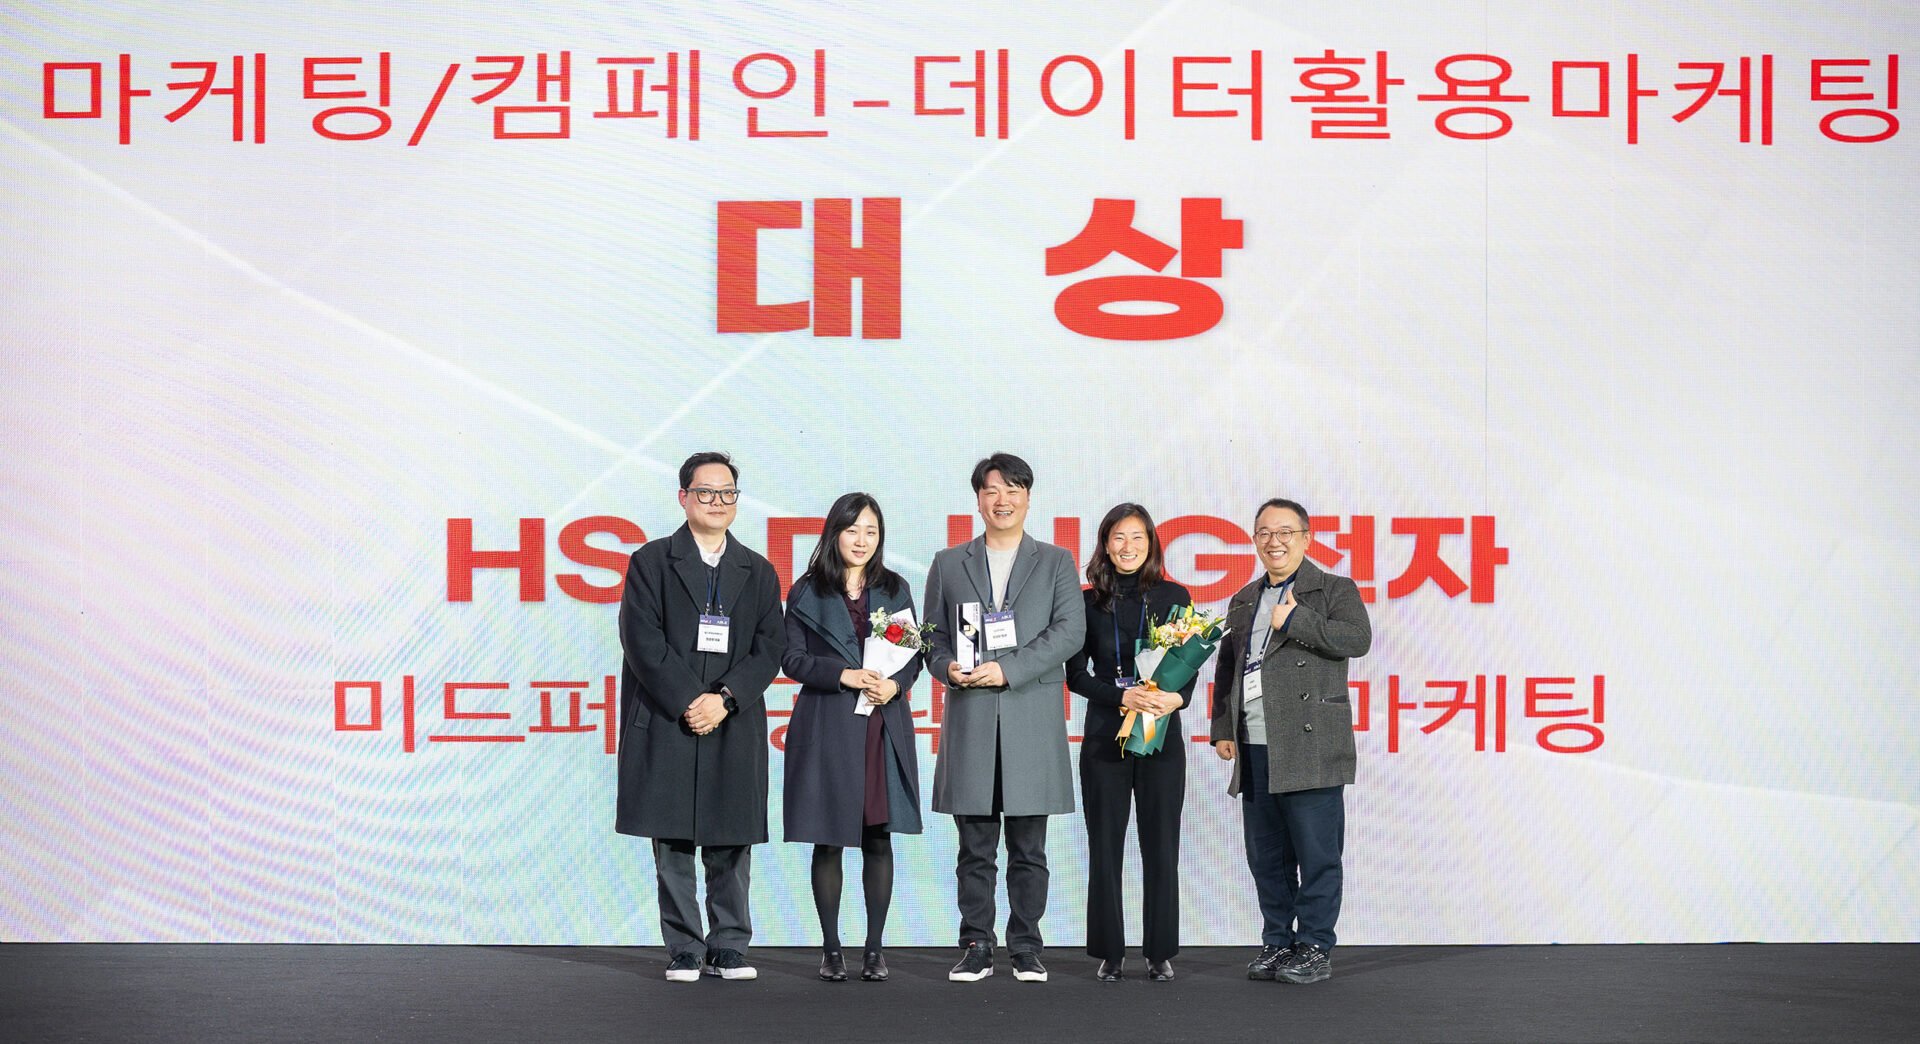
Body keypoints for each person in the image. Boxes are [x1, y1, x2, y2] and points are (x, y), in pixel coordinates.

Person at [615, 452, 786, 983]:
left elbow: (770, 647)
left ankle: (729, 944)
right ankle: (684, 946)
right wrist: (692, 700)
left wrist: (724, 699)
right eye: (706, 492)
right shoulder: (651, 561)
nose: (717, 501)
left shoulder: (758, 570)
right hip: (669, 714)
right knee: (671, 839)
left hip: (732, 717)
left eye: (727, 493)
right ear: (684, 497)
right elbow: (642, 641)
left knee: (731, 835)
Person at [922, 452, 1086, 983]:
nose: (1003, 500)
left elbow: (1069, 632)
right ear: (978, 499)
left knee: (1028, 848)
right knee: (974, 847)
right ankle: (976, 943)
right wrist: (947, 667)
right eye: (992, 490)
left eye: (1013, 489)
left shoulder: (1056, 561)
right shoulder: (949, 562)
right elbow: (932, 637)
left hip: (1029, 717)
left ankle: (1026, 946)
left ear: (1028, 498)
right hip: (971, 716)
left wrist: (1007, 669)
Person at [1210, 498, 1372, 984]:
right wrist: (1223, 727)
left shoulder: (1334, 589)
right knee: (1267, 856)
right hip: (1255, 743)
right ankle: (1278, 941)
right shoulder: (1244, 598)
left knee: (1317, 854)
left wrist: (1296, 620)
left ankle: (1315, 946)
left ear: (1306, 537)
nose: (1274, 542)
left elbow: (1357, 639)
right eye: (1264, 533)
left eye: (1284, 532)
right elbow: (1228, 666)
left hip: (1310, 743)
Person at [781, 492, 924, 984]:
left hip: (881, 723)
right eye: (852, 530)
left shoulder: (895, 589)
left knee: (878, 837)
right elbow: (791, 659)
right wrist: (842, 675)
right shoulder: (807, 590)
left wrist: (896, 685)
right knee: (829, 838)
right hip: (827, 722)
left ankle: (875, 949)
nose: (862, 540)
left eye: (871, 531)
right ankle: (831, 949)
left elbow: (914, 656)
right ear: (834, 533)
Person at [1066, 503, 1193, 983]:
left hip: (1161, 735)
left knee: (1162, 846)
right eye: (1118, 537)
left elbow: (1188, 666)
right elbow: (1075, 675)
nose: (1128, 546)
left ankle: (1159, 952)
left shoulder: (1175, 596)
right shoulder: (1085, 602)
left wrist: (1177, 699)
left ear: (1152, 543)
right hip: (1105, 735)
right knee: (1105, 846)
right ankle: (1110, 952)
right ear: (1105, 543)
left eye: (1137, 537)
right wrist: (1121, 696)